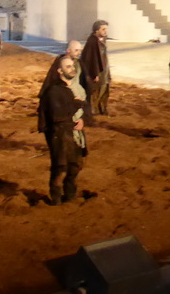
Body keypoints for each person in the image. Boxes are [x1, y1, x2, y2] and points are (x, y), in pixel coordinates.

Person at [38, 55, 88, 205]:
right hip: (58, 134)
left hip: (74, 131)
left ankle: (70, 193)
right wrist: (75, 104)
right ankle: (56, 198)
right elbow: (57, 114)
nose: (72, 69)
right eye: (68, 67)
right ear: (59, 71)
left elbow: (83, 109)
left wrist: (82, 120)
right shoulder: (53, 91)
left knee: (76, 165)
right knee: (60, 167)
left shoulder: (75, 88)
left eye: (72, 66)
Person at [80, 20, 112, 115]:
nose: (105, 31)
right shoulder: (92, 41)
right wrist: (95, 73)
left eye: (106, 29)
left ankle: (102, 109)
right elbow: (90, 59)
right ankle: (94, 111)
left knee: (104, 88)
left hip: (104, 70)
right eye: (103, 29)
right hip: (97, 71)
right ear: (96, 30)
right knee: (96, 91)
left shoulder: (102, 39)